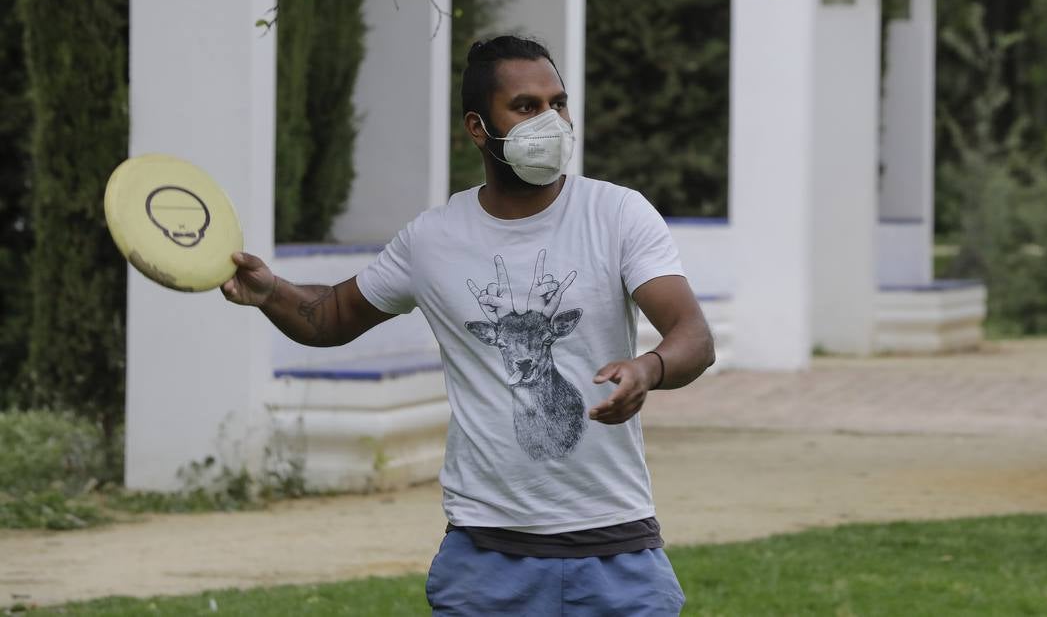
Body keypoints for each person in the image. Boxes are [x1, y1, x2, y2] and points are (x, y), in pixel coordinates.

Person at [221, 34, 715, 615]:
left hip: (617, 549)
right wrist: (269, 291)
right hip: (485, 562)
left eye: (557, 103)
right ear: (478, 128)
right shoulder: (433, 238)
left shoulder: (617, 214)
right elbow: (331, 316)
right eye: (527, 107)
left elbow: (694, 337)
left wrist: (647, 368)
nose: (551, 121)